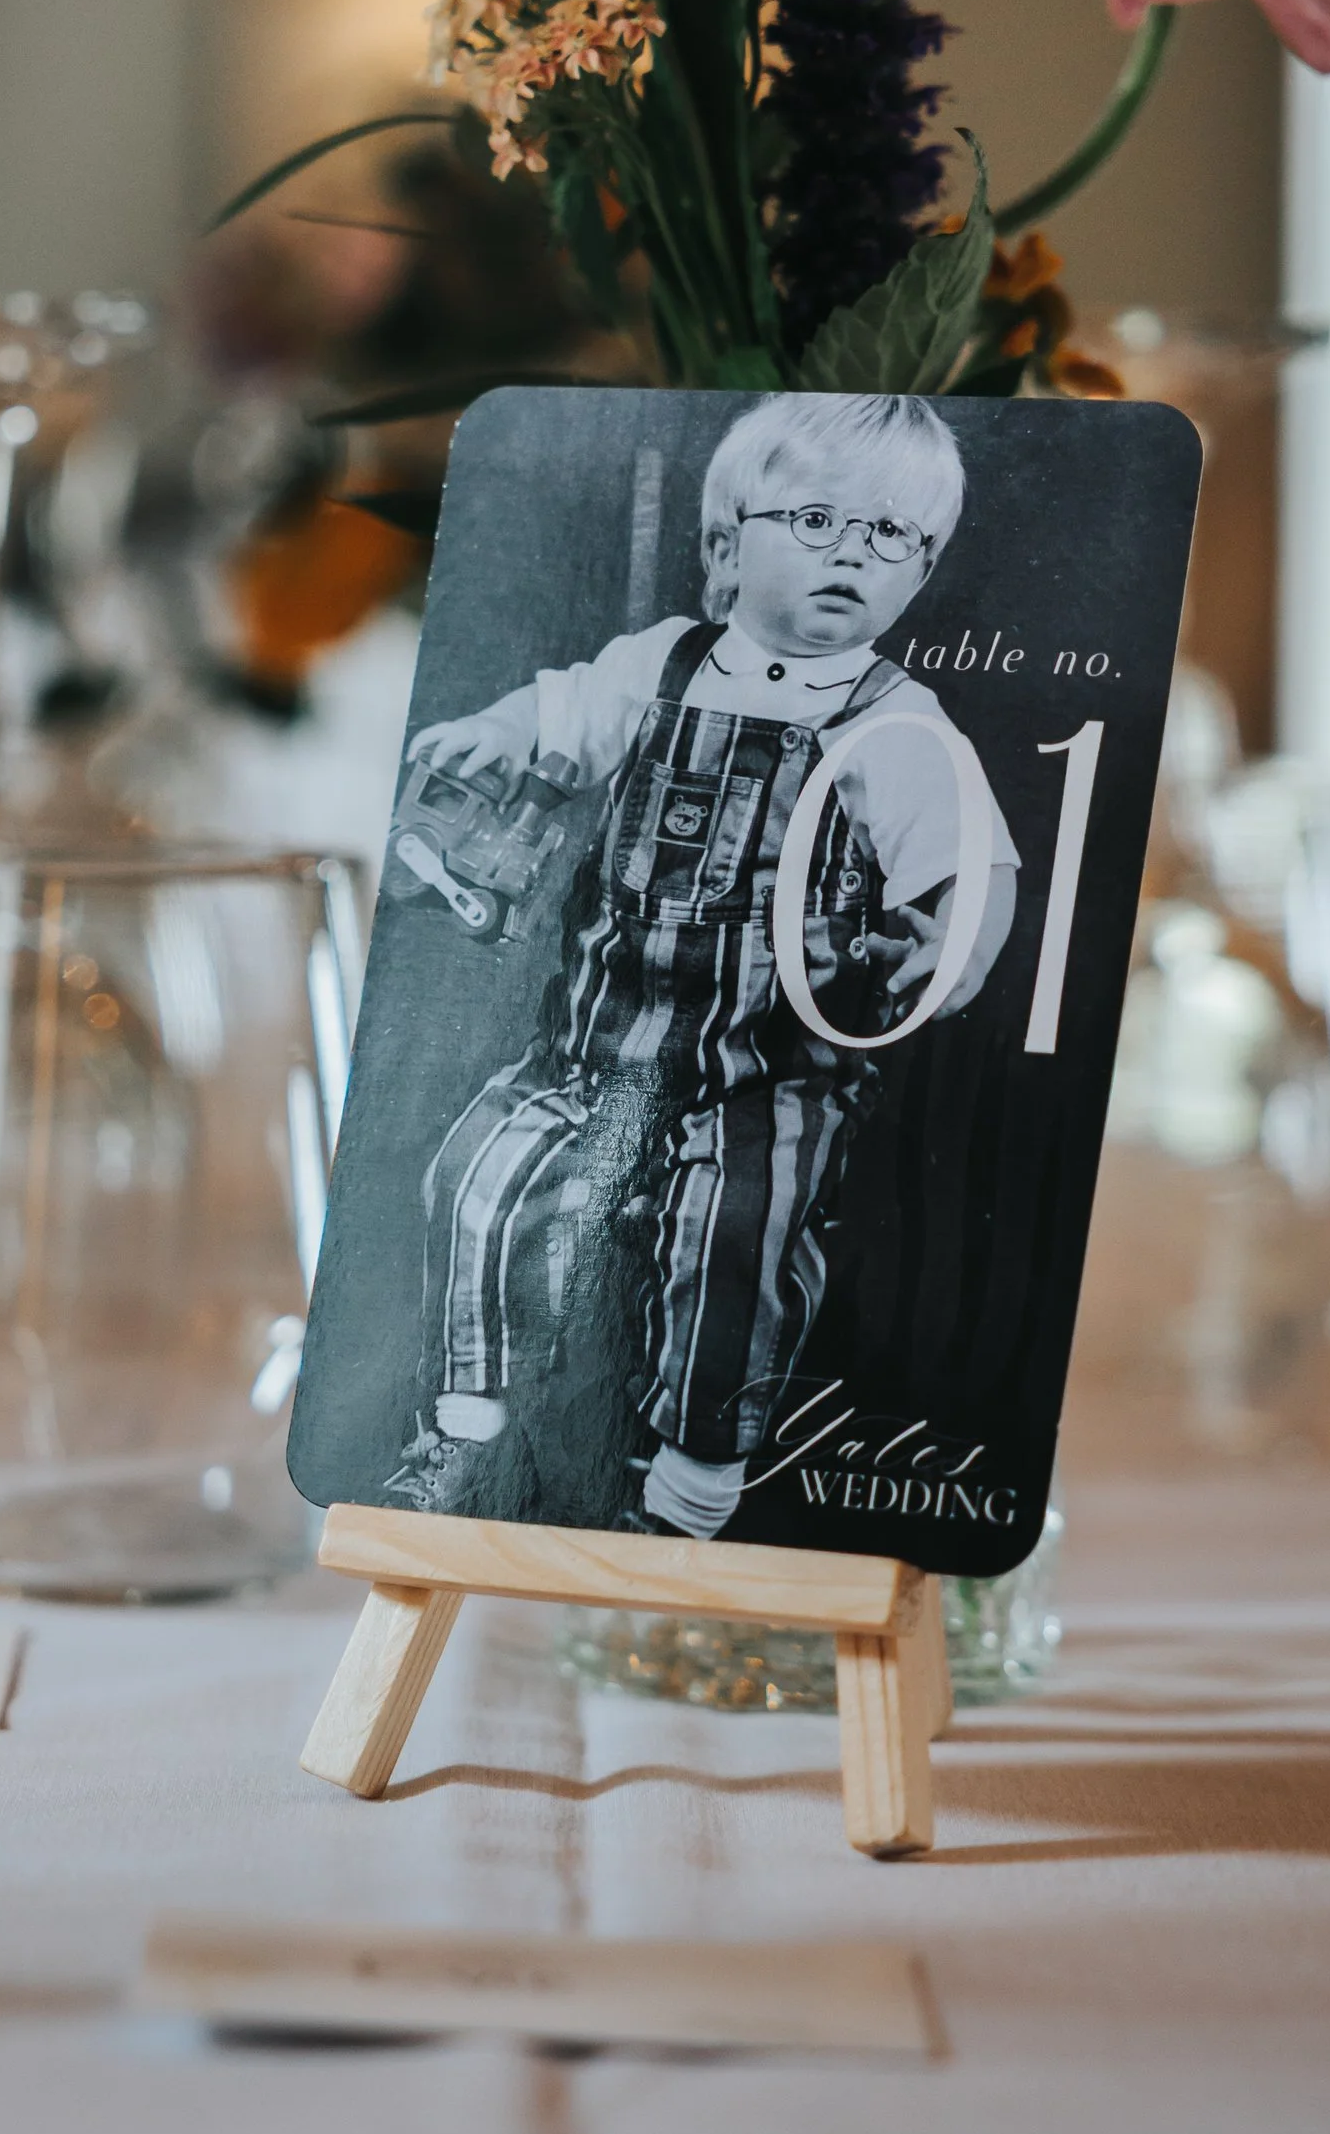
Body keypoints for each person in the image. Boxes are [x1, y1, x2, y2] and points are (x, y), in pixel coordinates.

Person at [385, 392, 1019, 1539]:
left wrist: (946, 947)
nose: (852, 558)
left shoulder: (898, 723)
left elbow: (971, 867)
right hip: (589, 1047)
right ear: (727, 548)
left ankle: (691, 1486)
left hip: (768, 1078)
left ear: (920, 572)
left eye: (891, 539)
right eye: (819, 521)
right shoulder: (658, 664)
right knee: (472, 1181)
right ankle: (464, 1431)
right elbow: (559, 714)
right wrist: (502, 734)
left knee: (739, 1242)